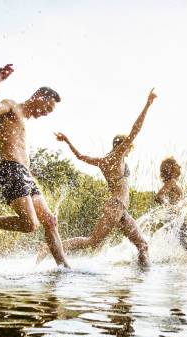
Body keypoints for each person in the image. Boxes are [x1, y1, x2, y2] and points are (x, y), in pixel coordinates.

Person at [0, 63, 69, 267]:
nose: (47, 113)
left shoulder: (21, 122)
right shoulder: (11, 106)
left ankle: (64, 267)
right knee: (30, 224)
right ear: (40, 96)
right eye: (48, 108)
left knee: (50, 221)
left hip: (25, 174)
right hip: (10, 170)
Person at [49, 89, 157, 267]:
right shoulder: (118, 155)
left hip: (120, 210)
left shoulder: (103, 160)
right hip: (116, 206)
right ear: (123, 146)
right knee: (92, 242)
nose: (128, 148)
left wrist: (68, 141)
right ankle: (51, 247)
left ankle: (141, 278)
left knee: (142, 245)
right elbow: (135, 130)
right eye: (127, 146)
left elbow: (81, 157)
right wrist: (147, 105)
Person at [155, 157, 187, 258]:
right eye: (177, 165)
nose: (180, 166)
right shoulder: (171, 182)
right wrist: (171, 208)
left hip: (178, 218)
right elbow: (159, 196)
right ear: (171, 168)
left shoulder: (173, 182)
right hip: (176, 218)